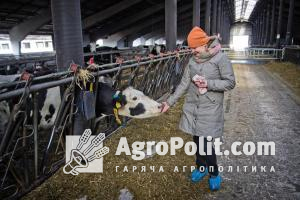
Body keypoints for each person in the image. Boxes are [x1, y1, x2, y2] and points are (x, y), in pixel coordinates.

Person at [161, 26, 235, 191]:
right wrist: (169, 102)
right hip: (193, 108)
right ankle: (201, 168)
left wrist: (209, 84)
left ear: (205, 44)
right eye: (191, 48)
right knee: (197, 141)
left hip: (210, 108)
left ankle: (214, 173)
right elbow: (184, 83)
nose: (192, 51)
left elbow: (230, 83)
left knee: (207, 145)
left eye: (195, 47)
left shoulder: (221, 59)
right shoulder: (193, 60)